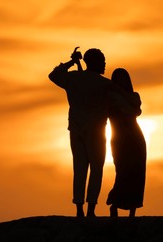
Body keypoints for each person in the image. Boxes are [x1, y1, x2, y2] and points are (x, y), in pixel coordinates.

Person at [48, 48, 138, 217]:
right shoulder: (105, 84)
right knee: (96, 170)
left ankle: (79, 209)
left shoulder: (73, 78)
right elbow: (124, 97)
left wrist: (72, 62)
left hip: (76, 130)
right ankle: (90, 209)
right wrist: (134, 101)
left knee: (80, 169)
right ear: (95, 62)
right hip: (95, 132)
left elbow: (53, 75)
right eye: (102, 61)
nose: (104, 64)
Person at [106, 68, 147, 218]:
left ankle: (132, 211)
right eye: (118, 79)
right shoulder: (109, 96)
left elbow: (136, 109)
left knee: (137, 172)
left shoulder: (133, 96)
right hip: (119, 138)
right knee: (122, 171)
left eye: (124, 78)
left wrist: (120, 92)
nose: (121, 81)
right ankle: (115, 204)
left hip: (136, 137)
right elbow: (123, 110)